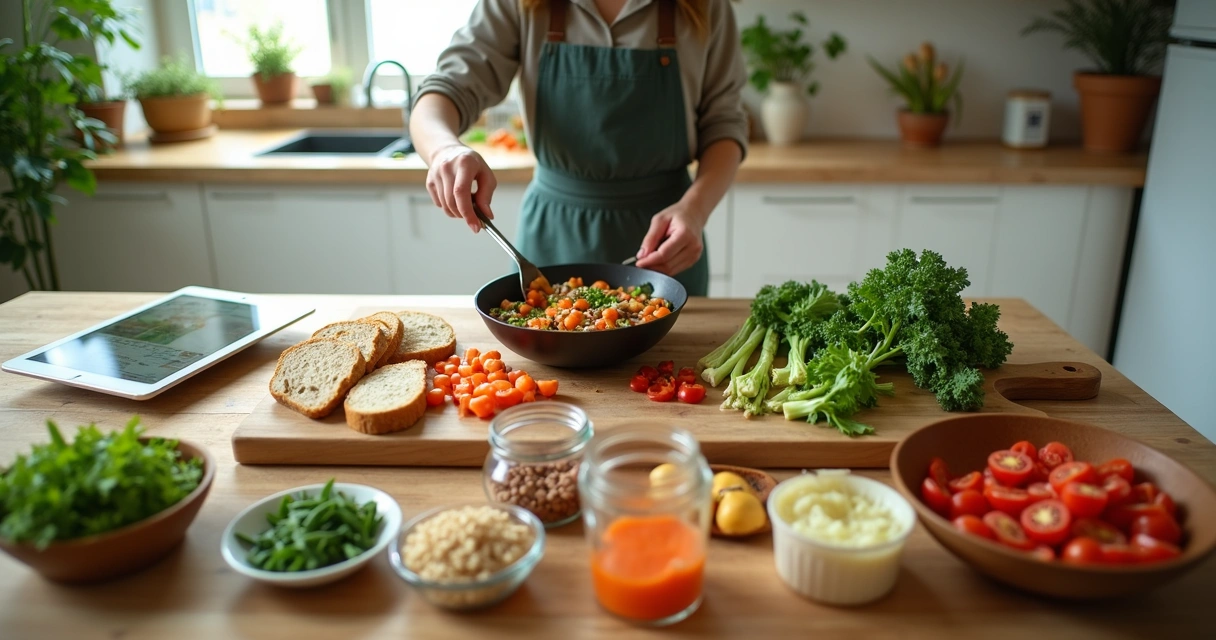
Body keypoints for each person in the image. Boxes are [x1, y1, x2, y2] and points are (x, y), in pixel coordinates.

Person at [410, 0, 747, 296]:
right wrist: (444, 150)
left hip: (667, 240)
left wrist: (695, 211)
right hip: (552, 234)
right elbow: (445, 90)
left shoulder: (706, 6)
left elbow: (725, 125)